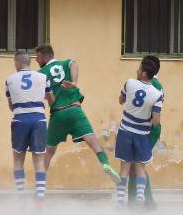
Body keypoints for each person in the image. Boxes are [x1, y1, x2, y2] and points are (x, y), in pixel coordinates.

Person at [33, 44, 120, 184]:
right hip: (75, 110)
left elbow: (43, 94)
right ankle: (105, 164)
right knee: (93, 141)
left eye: (37, 57)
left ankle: (39, 186)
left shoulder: (41, 73)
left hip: (58, 114)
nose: (36, 60)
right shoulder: (65, 63)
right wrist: (74, 82)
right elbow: (74, 63)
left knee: (49, 151)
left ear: (45, 55)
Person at [4, 52, 54, 204]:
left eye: (14, 62)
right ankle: (39, 199)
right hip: (39, 119)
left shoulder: (9, 80)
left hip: (20, 119)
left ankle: (21, 198)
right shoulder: (43, 78)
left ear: (19, 63)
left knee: (18, 160)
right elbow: (51, 99)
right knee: (39, 161)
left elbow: (11, 106)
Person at [114, 60, 163, 207]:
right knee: (140, 167)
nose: (137, 71)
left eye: (138, 68)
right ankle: (140, 197)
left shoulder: (129, 83)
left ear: (143, 72)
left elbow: (120, 100)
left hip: (125, 130)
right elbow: (156, 120)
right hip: (142, 133)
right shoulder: (157, 93)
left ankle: (120, 200)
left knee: (125, 167)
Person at [127, 55, 162, 209]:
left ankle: (144, 202)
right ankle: (138, 202)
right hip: (146, 127)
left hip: (146, 129)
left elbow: (154, 117)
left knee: (137, 165)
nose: (138, 68)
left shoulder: (150, 85)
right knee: (136, 165)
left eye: (140, 65)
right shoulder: (153, 84)